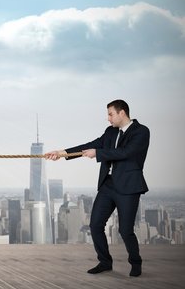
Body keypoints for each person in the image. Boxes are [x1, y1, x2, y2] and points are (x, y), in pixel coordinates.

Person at [45, 99, 149, 277]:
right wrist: (62, 153)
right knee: (94, 225)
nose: (108, 118)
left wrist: (98, 153)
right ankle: (105, 262)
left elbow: (126, 152)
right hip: (108, 185)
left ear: (122, 113)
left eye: (110, 114)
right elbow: (91, 145)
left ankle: (136, 263)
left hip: (128, 187)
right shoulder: (110, 132)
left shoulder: (141, 132)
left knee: (125, 230)